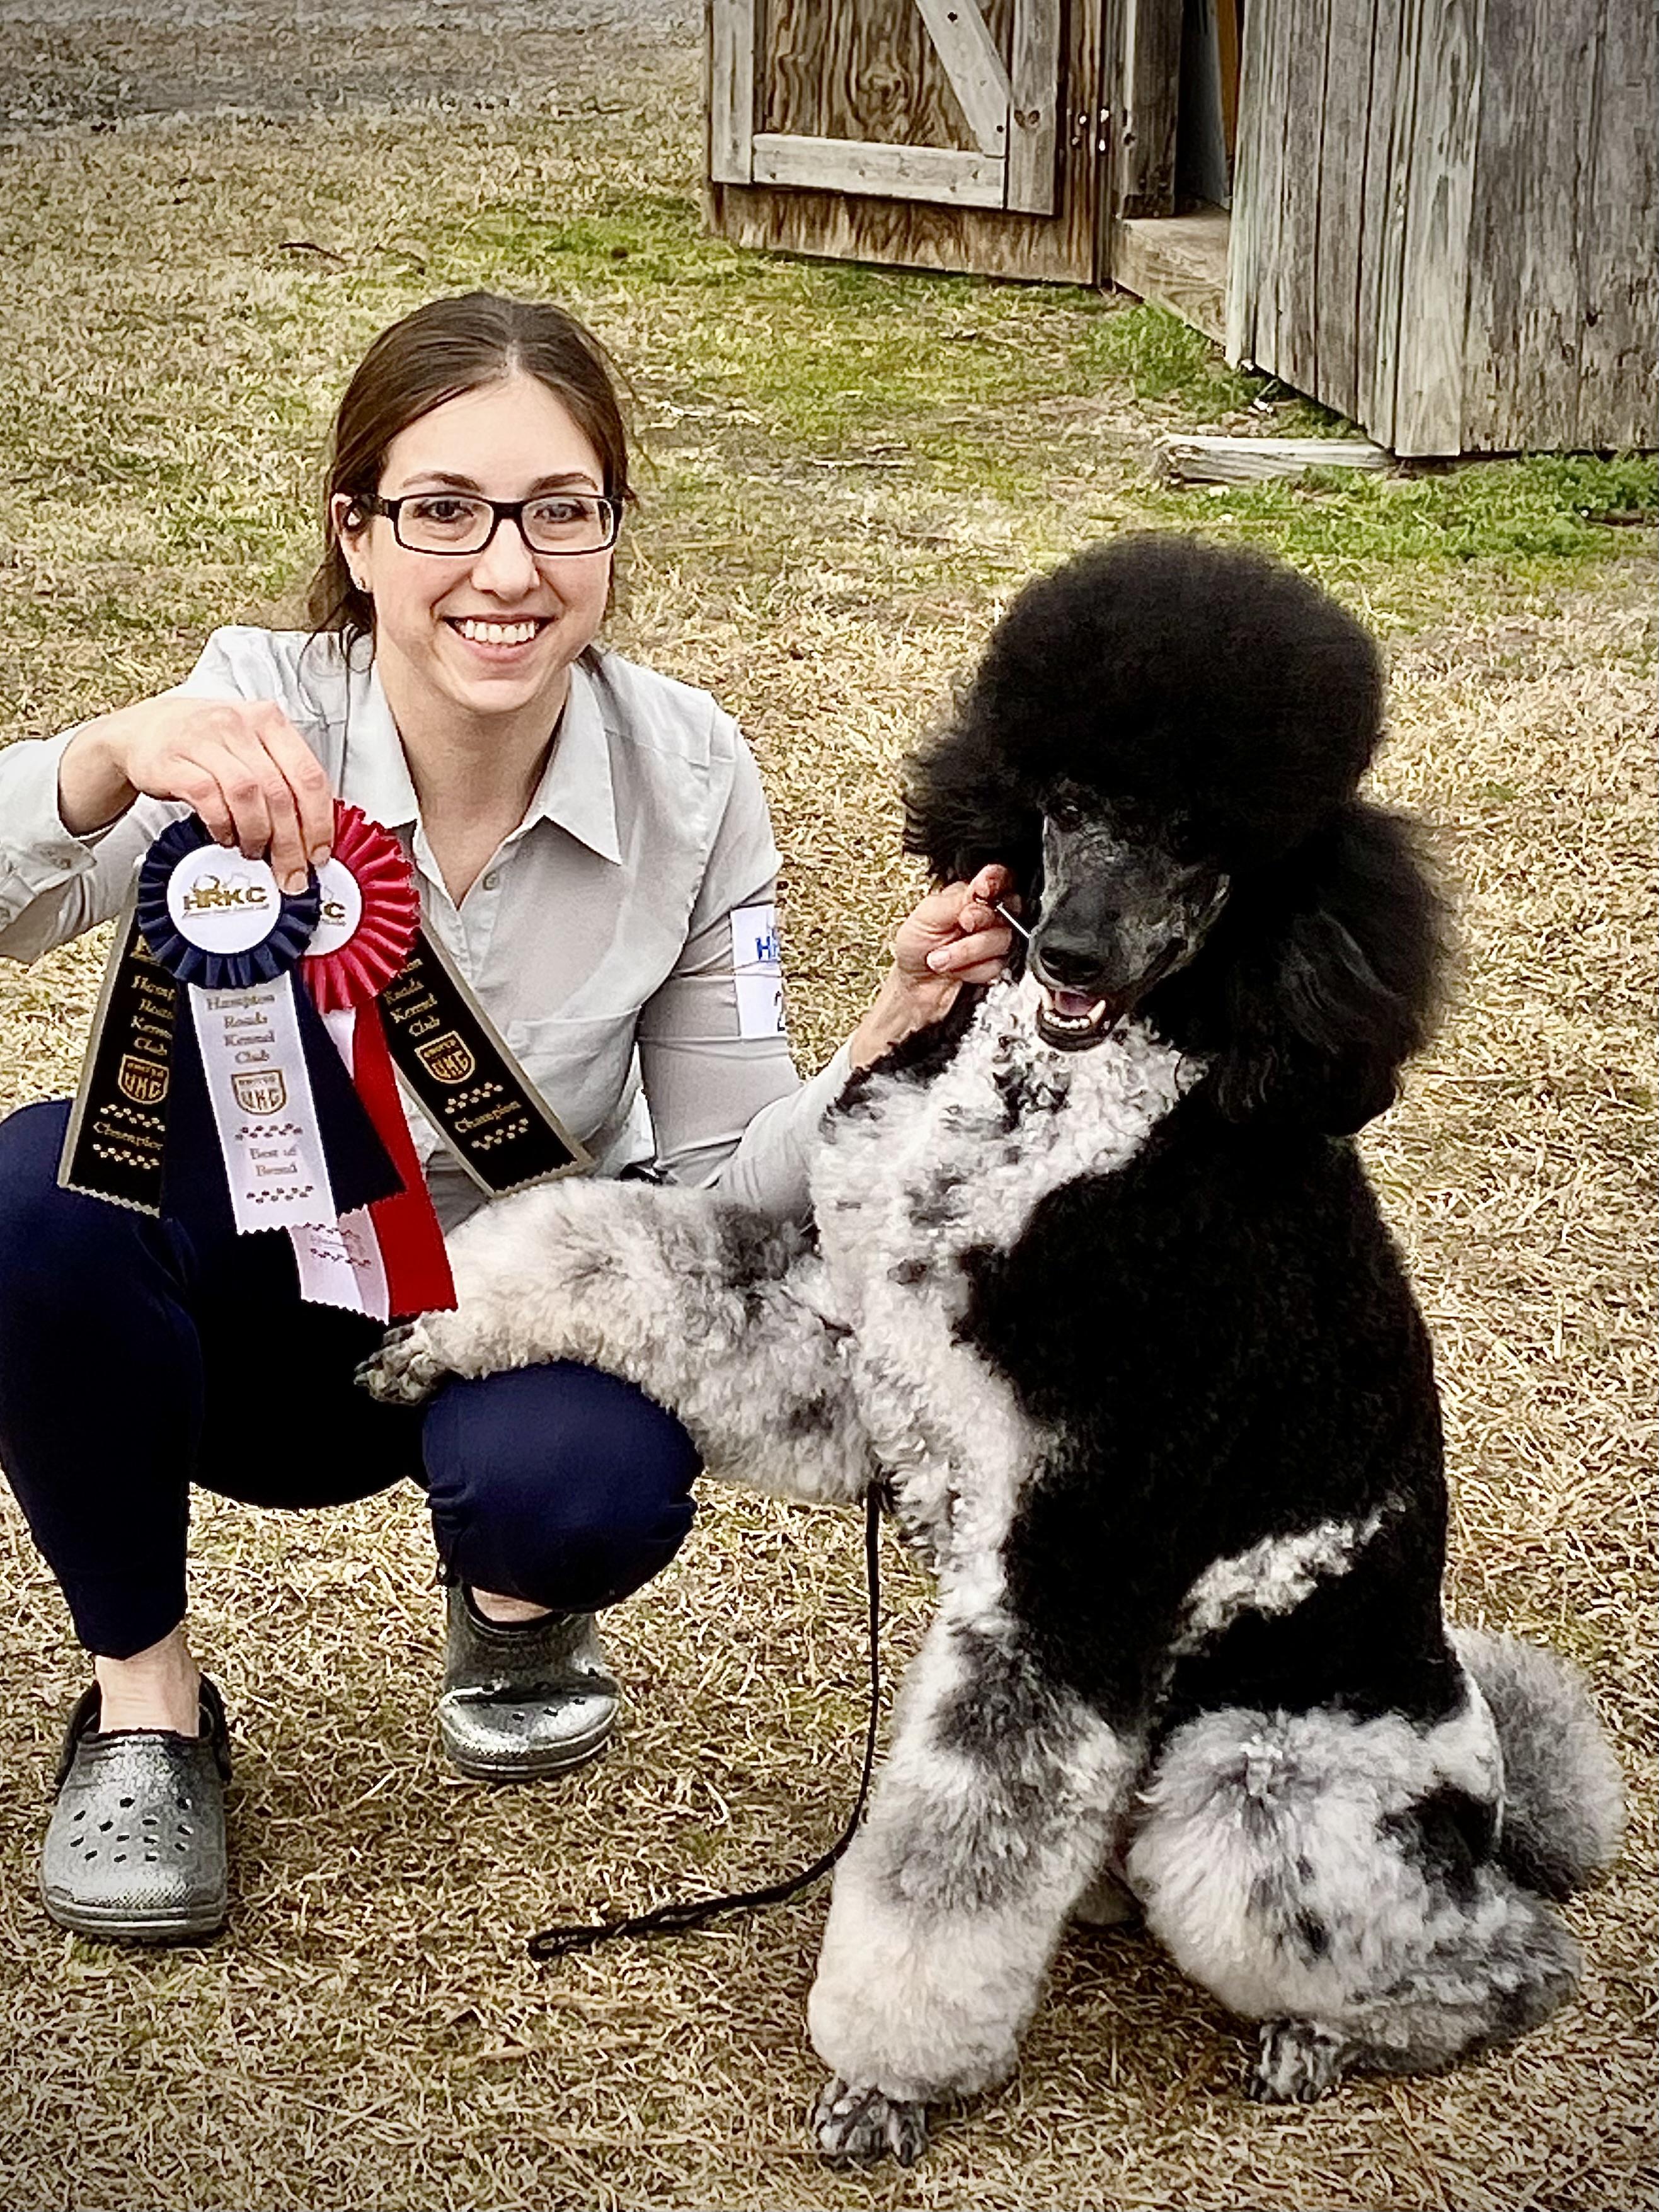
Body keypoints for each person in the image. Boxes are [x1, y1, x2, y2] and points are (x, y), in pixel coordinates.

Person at [0, 291, 1014, 1944]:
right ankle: (144, 1713)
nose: (506, 567)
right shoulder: (251, 710)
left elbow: (726, 1182)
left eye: (560, 510)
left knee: (584, 1485)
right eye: (444, 510)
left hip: (508, 1305)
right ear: (358, 530)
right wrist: (101, 759)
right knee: (31, 1205)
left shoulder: (692, 770)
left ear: (611, 531)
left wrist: (879, 1046)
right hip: (245, 1306)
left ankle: (517, 1593)